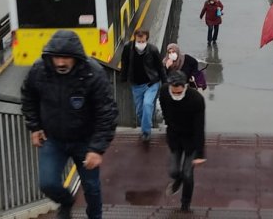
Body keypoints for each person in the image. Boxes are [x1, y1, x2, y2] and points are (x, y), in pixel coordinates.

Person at [21, 30, 118, 219]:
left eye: (66, 57)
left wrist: (97, 149)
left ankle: (95, 216)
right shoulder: (39, 70)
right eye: (57, 57)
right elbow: (28, 96)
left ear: (76, 57)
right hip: (53, 139)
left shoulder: (93, 73)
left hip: (85, 141)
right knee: (47, 183)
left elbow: (107, 112)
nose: (60, 63)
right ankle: (66, 201)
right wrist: (34, 126)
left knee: (91, 187)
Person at [159, 72, 206, 212]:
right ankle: (177, 180)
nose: (176, 95)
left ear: (185, 86)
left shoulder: (196, 99)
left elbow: (199, 127)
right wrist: (169, 123)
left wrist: (200, 154)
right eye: (174, 92)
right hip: (174, 137)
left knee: (187, 173)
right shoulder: (164, 92)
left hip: (191, 139)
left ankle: (185, 204)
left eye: (179, 92)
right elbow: (164, 109)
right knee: (173, 171)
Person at [120, 29, 166, 143]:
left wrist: (165, 82)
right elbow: (124, 63)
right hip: (136, 85)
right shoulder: (128, 48)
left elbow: (160, 67)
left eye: (143, 41)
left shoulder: (153, 50)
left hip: (151, 83)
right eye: (138, 41)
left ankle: (146, 132)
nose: (140, 43)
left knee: (147, 104)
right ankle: (146, 125)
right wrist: (123, 78)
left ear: (147, 40)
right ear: (135, 38)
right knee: (140, 111)